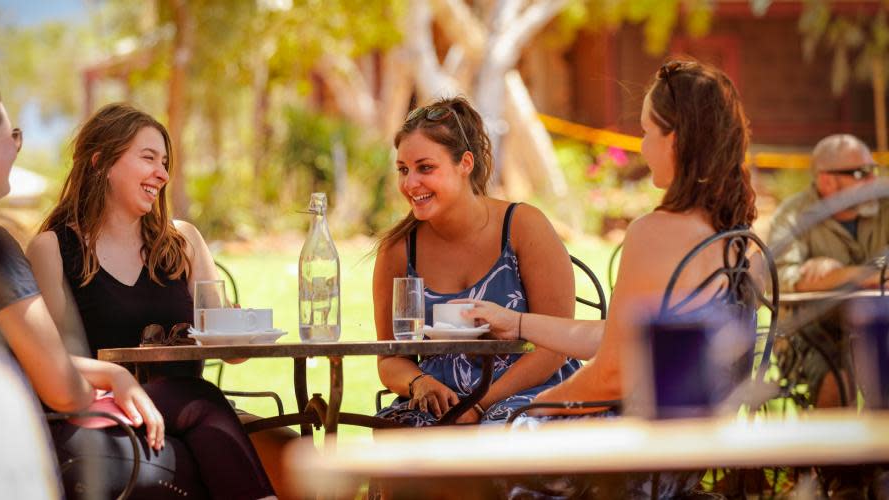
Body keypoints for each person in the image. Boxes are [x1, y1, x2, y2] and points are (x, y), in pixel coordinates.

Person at [460, 61, 761, 497]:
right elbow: (622, 340)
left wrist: (534, 409)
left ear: (673, 139)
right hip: (689, 455)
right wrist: (519, 322)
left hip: (627, 457)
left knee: (480, 449)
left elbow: (614, 374)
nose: (641, 146)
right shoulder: (734, 236)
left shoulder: (657, 232)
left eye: (645, 132)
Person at [0, 77, 233, 498]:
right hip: (49, 451)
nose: (18, 147)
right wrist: (115, 378)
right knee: (212, 425)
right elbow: (55, 381)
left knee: (211, 414)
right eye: (12, 135)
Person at [25, 102, 278, 498]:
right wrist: (114, 378)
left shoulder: (184, 242)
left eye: (164, 162)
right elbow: (48, 362)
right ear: (101, 162)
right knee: (204, 399)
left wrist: (237, 330)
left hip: (189, 412)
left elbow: (230, 352)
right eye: (148, 158)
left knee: (279, 442)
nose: (162, 173)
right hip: (105, 411)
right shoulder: (53, 249)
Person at [372, 96, 583, 427]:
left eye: (425, 168)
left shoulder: (523, 227)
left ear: (465, 163)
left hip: (531, 391)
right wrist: (419, 383)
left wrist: (479, 405)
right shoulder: (399, 251)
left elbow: (554, 349)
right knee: (399, 435)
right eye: (403, 170)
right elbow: (391, 357)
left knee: (503, 431)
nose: (410, 184)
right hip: (441, 400)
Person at [767, 134, 889, 409]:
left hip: (882, 323)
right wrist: (871, 275)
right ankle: (835, 452)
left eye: (874, 171)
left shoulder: (885, 208)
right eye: (861, 173)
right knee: (836, 383)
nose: (873, 181)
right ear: (827, 180)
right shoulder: (792, 215)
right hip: (812, 330)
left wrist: (840, 274)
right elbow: (782, 281)